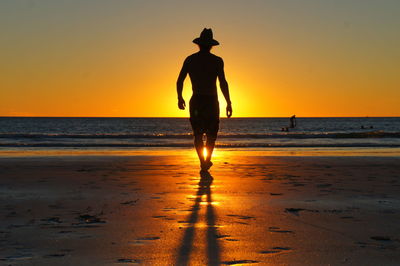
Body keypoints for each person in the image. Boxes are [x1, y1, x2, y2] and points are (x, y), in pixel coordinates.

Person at [176, 28, 232, 172]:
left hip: (197, 100)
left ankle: (203, 162)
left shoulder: (190, 59)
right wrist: (229, 102)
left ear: (199, 44)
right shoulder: (217, 61)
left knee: (198, 134)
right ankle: (206, 161)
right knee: (211, 135)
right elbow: (223, 83)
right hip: (211, 101)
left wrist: (180, 97)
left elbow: (180, 81)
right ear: (211, 45)